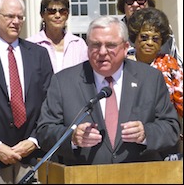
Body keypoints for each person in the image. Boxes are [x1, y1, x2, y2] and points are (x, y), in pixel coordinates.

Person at [35, 15, 180, 166]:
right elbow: (45, 131)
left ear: (125, 48)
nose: (102, 52)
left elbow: (171, 128)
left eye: (110, 45)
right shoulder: (64, 81)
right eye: (95, 45)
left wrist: (145, 133)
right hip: (84, 176)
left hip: (139, 175)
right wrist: (72, 138)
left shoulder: (150, 79)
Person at [0, 0, 53, 184]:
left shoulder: (39, 54)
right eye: (10, 16)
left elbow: (51, 102)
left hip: (32, 159)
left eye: (20, 17)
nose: (16, 21)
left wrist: (34, 140)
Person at [127, 7, 183, 156]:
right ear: (135, 38)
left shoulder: (171, 66)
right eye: (144, 37)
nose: (149, 43)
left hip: (164, 138)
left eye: (155, 38)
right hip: (130, 137)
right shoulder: (124, 64)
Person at [117, 0, 183, 67]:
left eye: (141, 0)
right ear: (123, 4)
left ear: (149, 2)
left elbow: (176, 61)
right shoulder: (116, 31)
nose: (135, 5)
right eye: (130, 1)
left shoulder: (163, 27)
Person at [27, 0, 88, 73]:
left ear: (67, 15)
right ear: (42, 15)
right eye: (52, 11)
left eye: (62, 11)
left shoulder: (79, 45)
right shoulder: (30, 44)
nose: (58, 15)